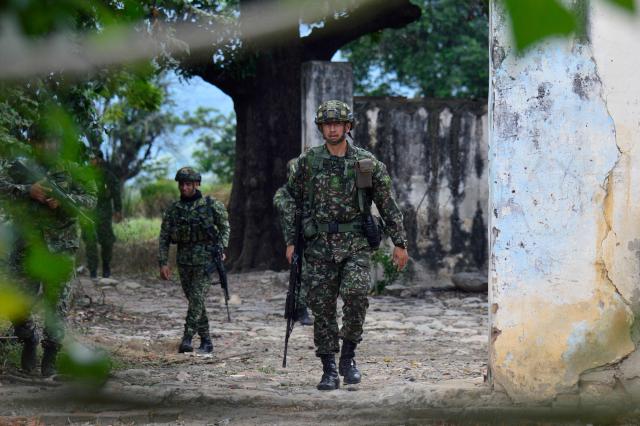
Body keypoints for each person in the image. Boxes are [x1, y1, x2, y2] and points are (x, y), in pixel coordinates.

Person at [285, 100, 409, 391]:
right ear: (321, 128)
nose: (332, 128)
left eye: (337, 123)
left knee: (356, 295)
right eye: (327, 124)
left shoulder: (365, 163)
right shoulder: (307, 162)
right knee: (322, 307)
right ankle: (329, 368)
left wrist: (399, 242)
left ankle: (348, 357)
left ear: (347, 127)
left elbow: (387, 204)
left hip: (355, 243)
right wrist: (292, 240)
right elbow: (294, 202)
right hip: (318, 245)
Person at [0, 138, 97, 376]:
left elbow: (91, 198)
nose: (46, 147)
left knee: (58, 307)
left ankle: (50, 357)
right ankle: (28, 339)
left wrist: (64, 202)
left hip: (60, 250)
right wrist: (27, 190)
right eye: (41, 142)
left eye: (50, 142)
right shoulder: (19, 166)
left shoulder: (72, 169)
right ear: (33, 143)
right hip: (26, 247)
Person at [158, 167, 230, 354]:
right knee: (194, 301)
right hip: (184, 261)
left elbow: (224, 227)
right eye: (181, 184)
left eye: (188, 184)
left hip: (205, 260)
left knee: (197, 299)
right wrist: (163, 262)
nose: (183, 187)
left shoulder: (210, 205)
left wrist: (221, 247)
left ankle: (187, 337)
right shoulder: (174, 209)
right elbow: (164, 237)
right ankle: (206, 341)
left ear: (197, 184)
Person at [273, 159, 313, 326]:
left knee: (310, 274)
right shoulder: (283, 195)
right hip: (295, 239)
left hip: (312, 237)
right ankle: (300, 309)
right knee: (300, 274)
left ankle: (302, 306)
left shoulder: (310, 193)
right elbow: (289, 218)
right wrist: (291, 244)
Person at [82, 150, 122, 279]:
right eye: (89, 158)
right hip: (88, 213)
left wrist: (118, 210)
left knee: (107, 242)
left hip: (104, 212)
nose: (90, 160)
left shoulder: (107, 176)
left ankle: (106, 267)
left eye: (93, 158)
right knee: (90, 241)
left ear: (100, 159)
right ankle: (93, 271)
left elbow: (116, 192)